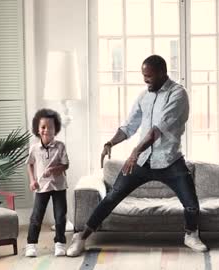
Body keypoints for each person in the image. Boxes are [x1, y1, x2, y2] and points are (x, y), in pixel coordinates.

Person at [66, 55, 208, 257]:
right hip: (142, 161)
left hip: (169, 160)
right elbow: (130, 126)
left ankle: (191, 235)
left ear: (161, 73)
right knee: (112, 197)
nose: (145, 80)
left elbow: (157, 130)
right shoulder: (144, 96)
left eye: (148, 76)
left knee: (191, 204)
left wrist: (134, 152)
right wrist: (110, 142)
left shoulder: (178, 94)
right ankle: (81, 237)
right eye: (143, 75)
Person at [25, 108, 69, 257]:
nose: (46, 130)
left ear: (55, 128)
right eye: (43, 127)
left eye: (50, 127)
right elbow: (30, 164)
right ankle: (31, 244)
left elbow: (66, 165)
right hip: (41, 187)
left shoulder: (61, 146)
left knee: (60, 216)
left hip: (59, 186)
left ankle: (60, 243)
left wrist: (54, 169)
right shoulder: (34, 148)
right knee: (36, 217)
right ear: (37, 129)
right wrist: (32, 180)